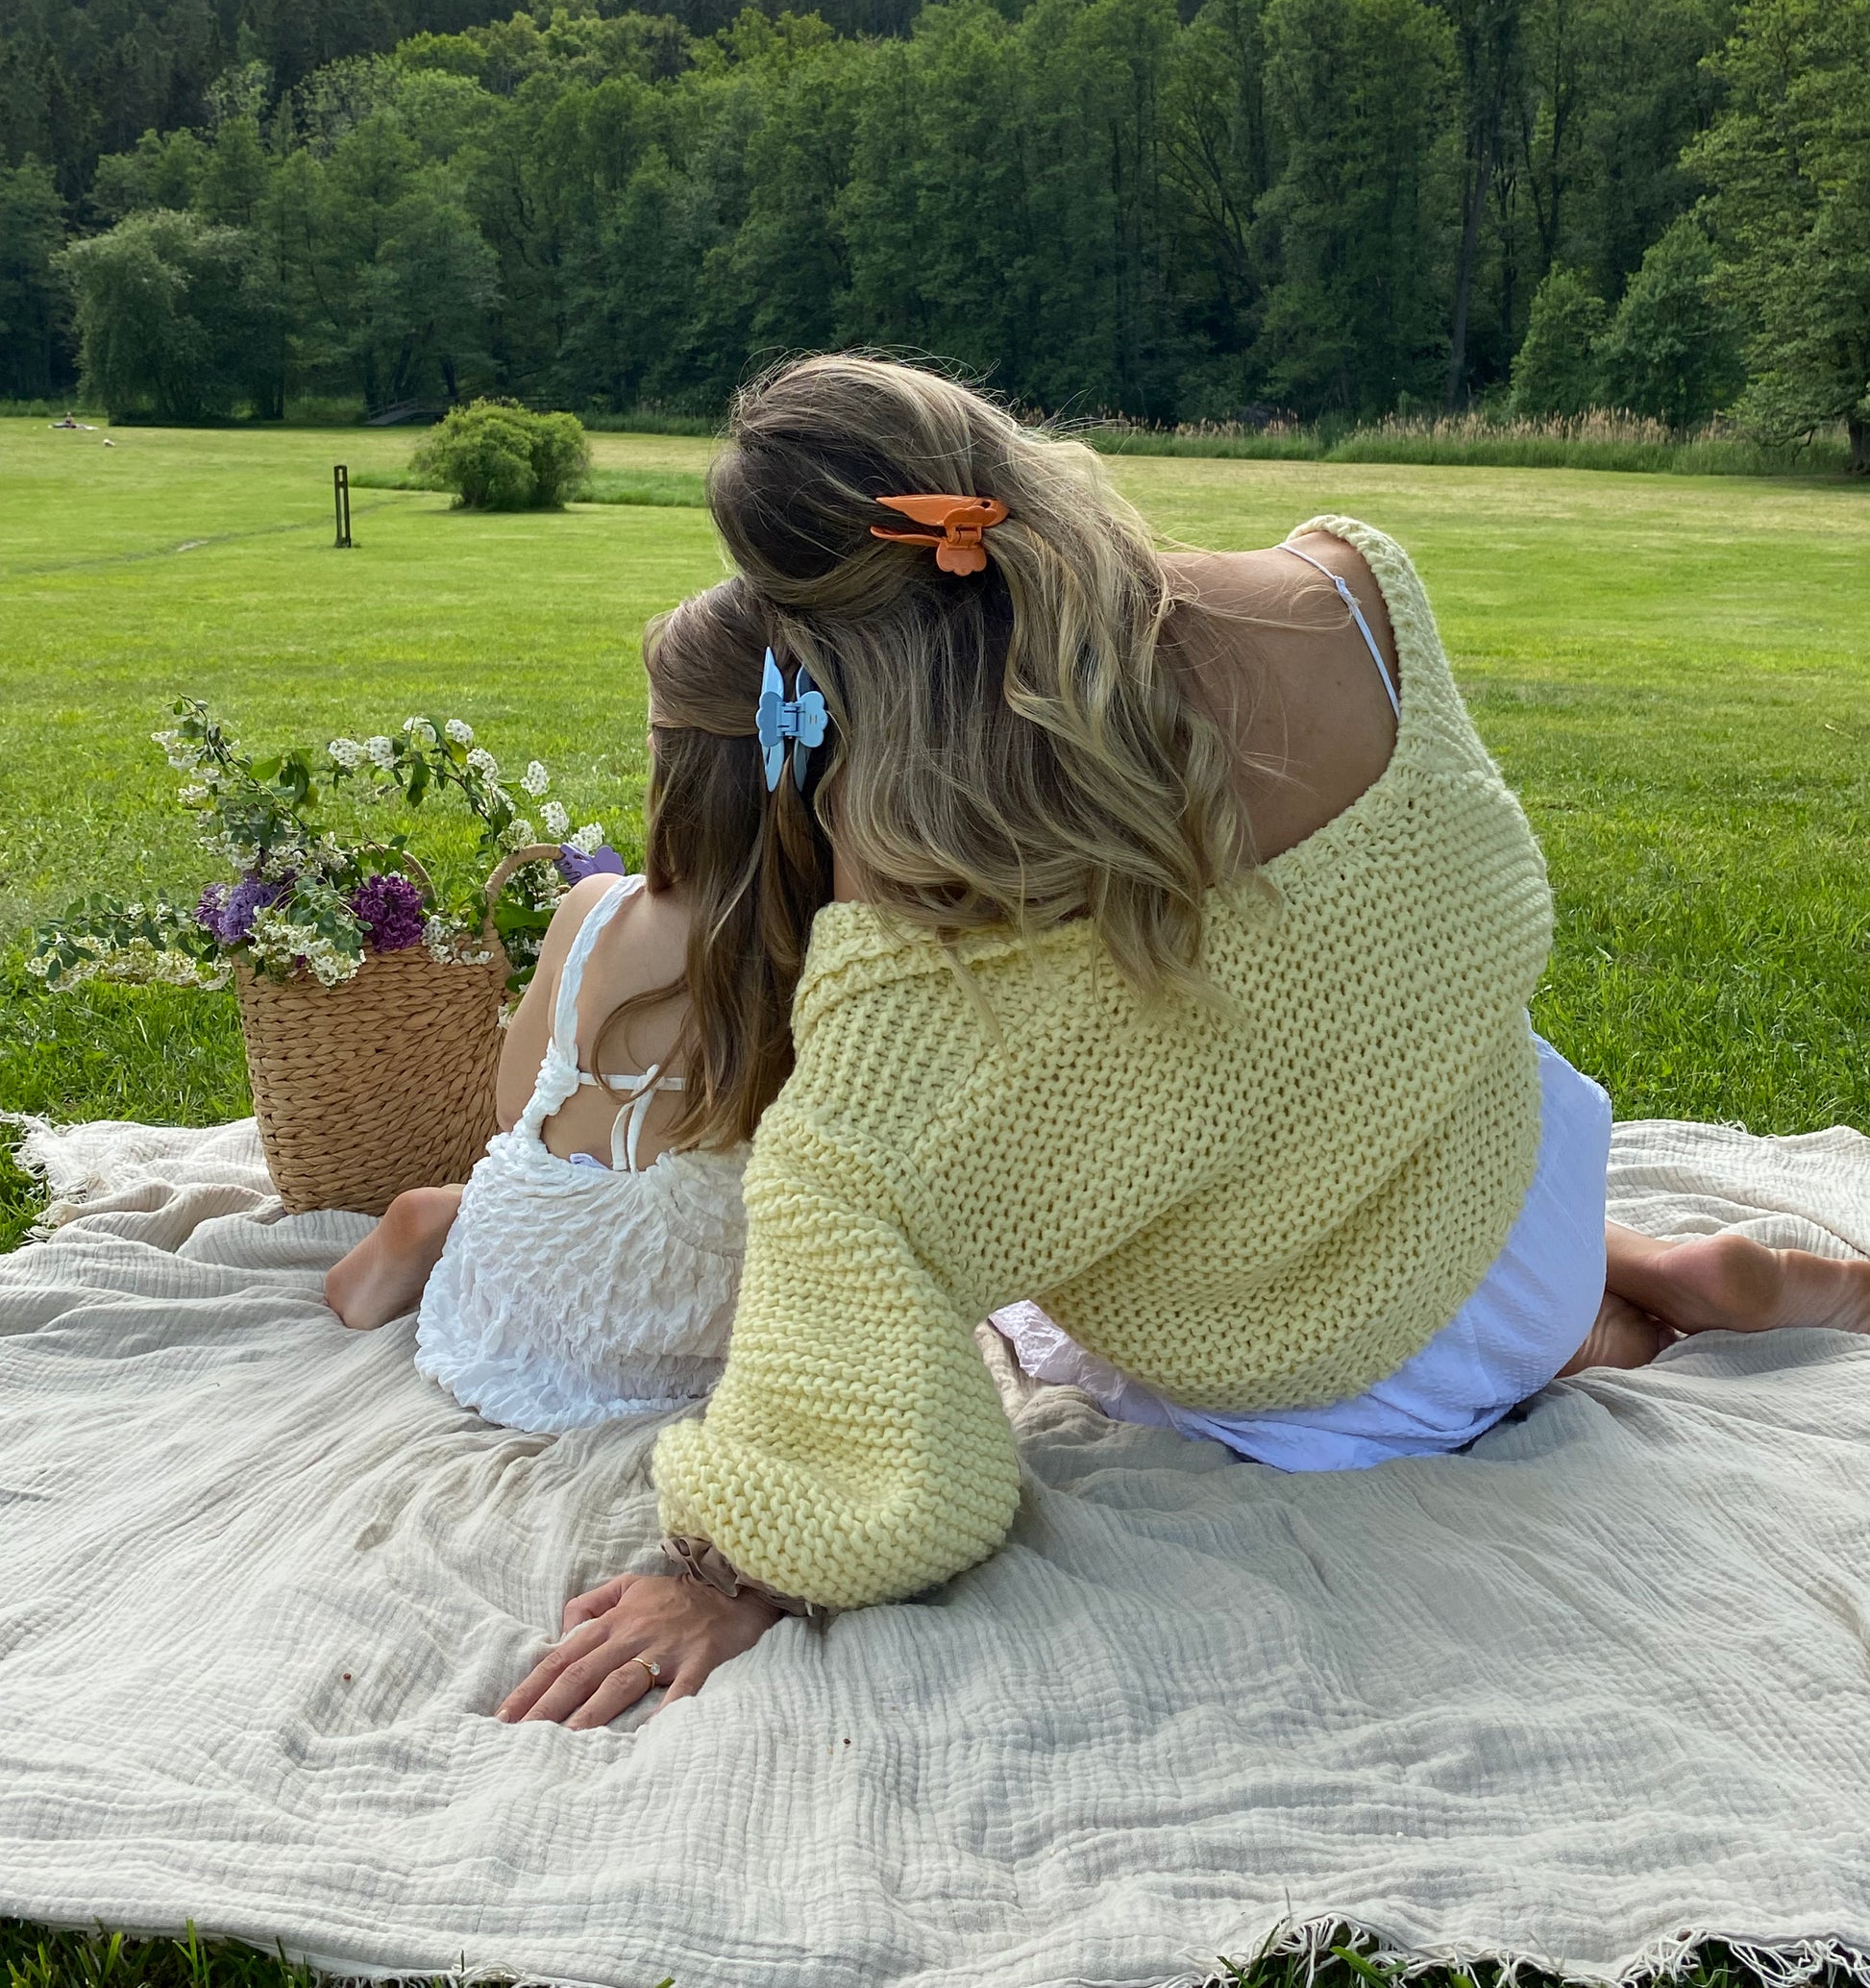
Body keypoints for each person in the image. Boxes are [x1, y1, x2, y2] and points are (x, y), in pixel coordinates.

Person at [497, 355, 1870, 1734]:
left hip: (1345, 1361)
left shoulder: (915, 865)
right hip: (1519, 1175)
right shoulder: (1347, 580)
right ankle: (1627, 1278)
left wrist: (739, 1566)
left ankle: (1595, 1341)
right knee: (1298, 1102)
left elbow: (846, 1212)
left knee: (1038, 1301)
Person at [324, 577, 833, 1453]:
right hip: (706, 1332)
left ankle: (440, 1218)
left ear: (663, 757)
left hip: (534, 1292)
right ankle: (450, 1215)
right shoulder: (837, 947)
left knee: (540, 1180)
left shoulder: (592, 910)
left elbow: (515, 1110)